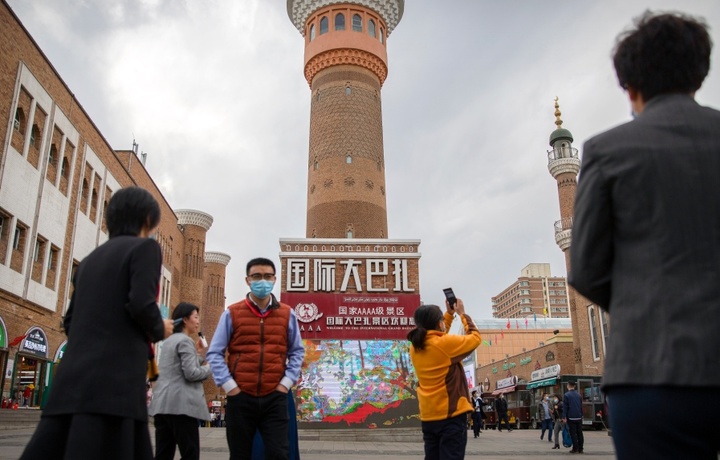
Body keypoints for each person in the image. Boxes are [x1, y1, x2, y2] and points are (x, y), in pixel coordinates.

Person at [568, 11, 720, 460]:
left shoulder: (608, 150)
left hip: (650, 370)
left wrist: (643, 303)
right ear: (700, 73)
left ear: (630, 87)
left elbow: (587, 267)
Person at [19, 186, 174, 460]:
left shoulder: (90, 261)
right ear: (148, 220)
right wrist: (161, 328)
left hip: (71, 384)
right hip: (115, 385)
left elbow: (70, 321)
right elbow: (140, 303)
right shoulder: (145, 248)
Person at [206, 257, 304, 460]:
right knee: (240, 454)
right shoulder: (232, 313)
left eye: (268, 276)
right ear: (247, 280)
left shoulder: (287, 314)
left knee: (279, 454)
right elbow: (215, 352)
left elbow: (297, 352)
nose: (263, 281)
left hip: (275, 397)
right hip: (241, 397)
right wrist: (229, 386)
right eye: (257, 276)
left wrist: (285, 384)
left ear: (275, 279)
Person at [407, 300, 481, 460]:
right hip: (451, 416)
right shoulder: (444, 345)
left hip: (429, 417)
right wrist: (461, 314)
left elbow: (438, 338)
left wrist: (448, 315)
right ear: (439, 323)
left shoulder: (415, 347)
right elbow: (475, 338)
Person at [149, 302, 212, 460]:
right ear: (185, 319)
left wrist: (196, 354)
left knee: (163, 454)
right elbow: (191, 373)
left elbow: (177, 370)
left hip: (163, 407)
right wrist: (211, 367)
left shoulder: (170, 341)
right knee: (190, 453)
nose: (198, 321)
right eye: (195, 317)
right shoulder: (185, 341)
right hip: (181, 407)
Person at [562, 381, 583, 454]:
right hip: (579, 416)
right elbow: (580, 407)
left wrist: (564, 417)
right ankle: (581, 448)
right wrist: (581, 415)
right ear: (574, 386)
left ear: (568, 386)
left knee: (573, 433)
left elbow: (565, 407)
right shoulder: (579, 395)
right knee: (579, 433)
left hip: (571, 417)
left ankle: (575, 448)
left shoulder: (566, 395)